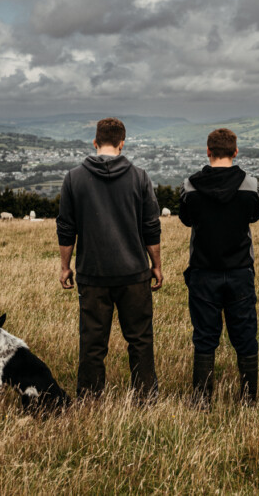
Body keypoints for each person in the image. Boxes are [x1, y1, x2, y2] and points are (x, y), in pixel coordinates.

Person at [56, 117, 163, 401]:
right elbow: (151, 226)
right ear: (122, 143)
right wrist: (157, 265)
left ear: (95, 142)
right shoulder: (140, 177)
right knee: (139, 339)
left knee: (92, 343)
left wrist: (65, 267)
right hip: (134, 273)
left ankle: (90, 399)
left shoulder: (74, 178)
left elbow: (66, 228)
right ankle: (145, 398)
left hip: (92, 275)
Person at [179, 128, 259, 406]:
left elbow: (187, 220)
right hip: (240, 270)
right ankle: (248, 399)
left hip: (203, 270)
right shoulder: (250, 185)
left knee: (204, 335)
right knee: (245, 333)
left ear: (208, 151)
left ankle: (202, 399)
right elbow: (253, 216)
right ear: (235, 151)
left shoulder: (190, 186)